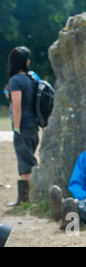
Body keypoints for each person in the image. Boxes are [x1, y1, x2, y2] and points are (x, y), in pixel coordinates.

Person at [6, 46, 39, 206]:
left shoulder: (16, 81)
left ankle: (35, 196)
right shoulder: (32, 79)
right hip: (33, 126)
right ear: (25, 62)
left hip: (23, 127)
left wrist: (17, 129)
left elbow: (17, 106)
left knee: (29, 164)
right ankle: (24, 199)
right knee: (24, 163)